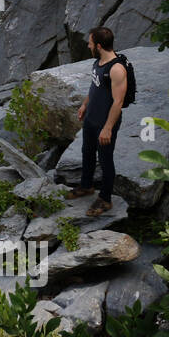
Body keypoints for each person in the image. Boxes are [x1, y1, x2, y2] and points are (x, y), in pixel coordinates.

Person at [67, 26, 128, 217]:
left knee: (105, 160)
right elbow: (95, 87)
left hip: (105, 123)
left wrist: (108, 128)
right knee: (87, 152)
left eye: (91, 43)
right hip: (91, 118)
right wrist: (85, 105)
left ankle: (106, 199)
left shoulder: (117, 69)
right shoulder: (99, 61)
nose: (88, 45)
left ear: (99, 46)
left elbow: (118, 102)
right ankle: (86, 186)